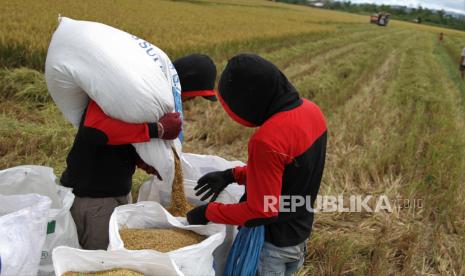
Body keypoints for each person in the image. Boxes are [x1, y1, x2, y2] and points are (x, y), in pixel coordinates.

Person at [186, 53, 327, 275]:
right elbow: (288, 172)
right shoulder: (311, 111)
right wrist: (231, 175)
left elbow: (261, 212)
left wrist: (208, 212)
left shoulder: (268, 139)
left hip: (271, 248)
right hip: (298, 235)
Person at [62, 54, 217, 250]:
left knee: (118, 254)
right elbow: (94, 131)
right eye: (191, 96)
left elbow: (123, 134)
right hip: (93, 196)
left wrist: (140, 159)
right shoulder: (125, 90)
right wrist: (157, 129)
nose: (188, 102)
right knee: (100, 261)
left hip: (116, 190)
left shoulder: (147, 102)